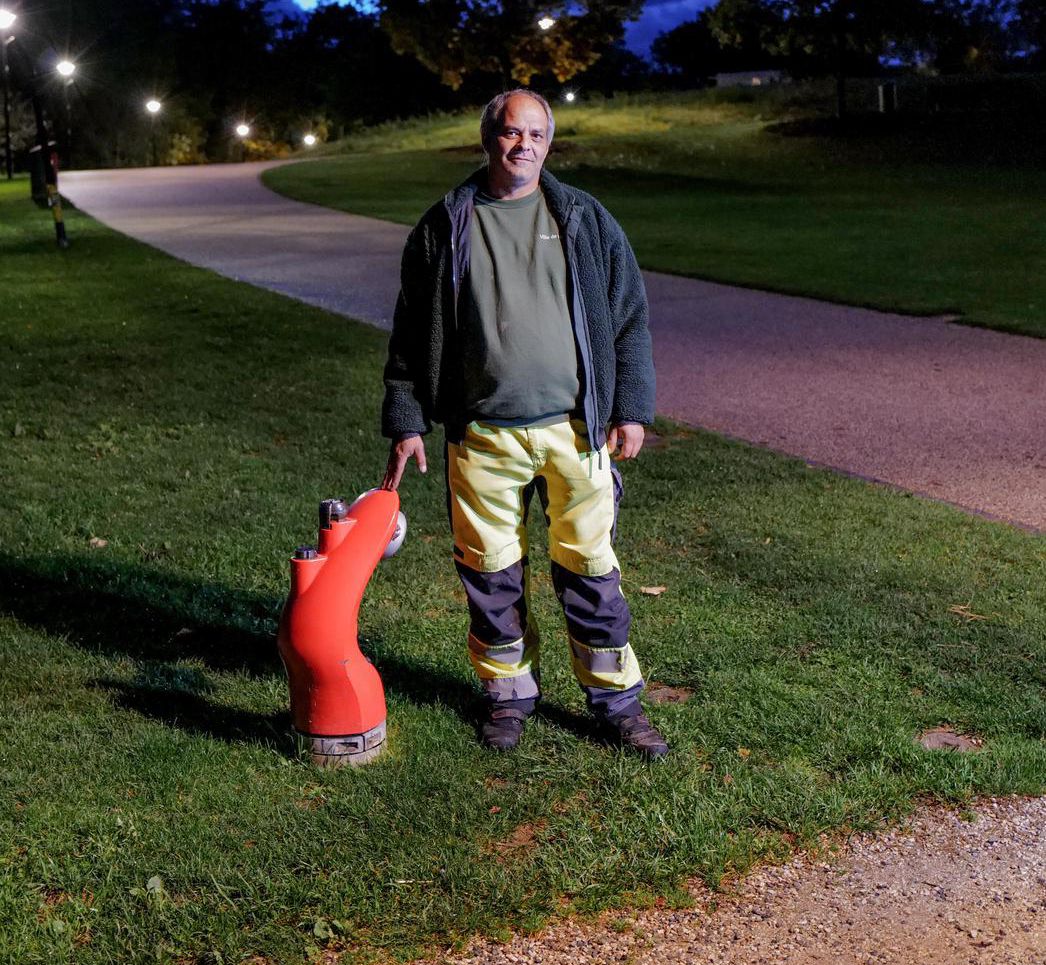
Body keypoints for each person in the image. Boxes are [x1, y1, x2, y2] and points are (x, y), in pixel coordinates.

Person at [380, 89, 667, 759]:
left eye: (537, 134)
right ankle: (508, 695)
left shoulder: (583, 217)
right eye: (512, 133)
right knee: (491, 571)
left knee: (591, 568)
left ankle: (615, 703)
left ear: (549, 141)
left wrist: (631, 407)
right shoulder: (444, 224)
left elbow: (629, 318)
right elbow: (408, 335)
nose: (525, 146)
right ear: (487, 140)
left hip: (578, 431)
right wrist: (406, 418)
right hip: (483, 435)